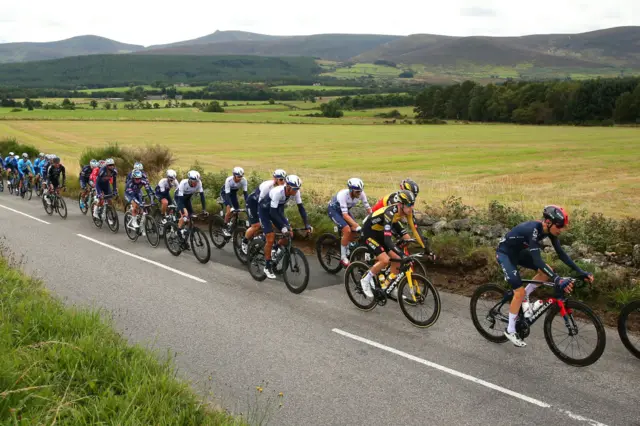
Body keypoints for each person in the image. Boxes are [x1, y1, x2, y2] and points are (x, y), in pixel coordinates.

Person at [496, 205, 595, 348]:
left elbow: (562, 254)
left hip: (518, 254)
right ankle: (510, 330)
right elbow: (537, 261)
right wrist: (557, 279)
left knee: (546, 271)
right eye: (559, 226)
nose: (561, 229)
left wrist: (581, 272)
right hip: (505, 254)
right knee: (519, 291)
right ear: (548, 223)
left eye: (563, 226)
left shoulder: (550, 232)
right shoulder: (533, 231)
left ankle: (526, 298)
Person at [359, 190, 418, 299]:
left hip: (378, 232)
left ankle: (389, 286)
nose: (411, 207)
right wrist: (402, 253)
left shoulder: (407, 212)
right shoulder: (390, 213)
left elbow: (415, 232)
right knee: (385, 259)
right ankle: (365, 280)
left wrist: (426, 248)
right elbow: (387, 240)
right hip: (368, 232)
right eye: (409, 205)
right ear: (401, 204)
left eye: (412, 204)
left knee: (397, 259)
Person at [258, 174, 312, 279]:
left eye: (298, 189)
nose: (296, 191)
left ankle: (275, 248)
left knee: (289, 234)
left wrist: (307, 225)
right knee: (270, 237)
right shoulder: (278, 192)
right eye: (294, 189)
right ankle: (267, 266)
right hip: (265, 210)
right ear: (287, 186)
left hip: (277, 209)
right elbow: (272, 214)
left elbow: (301, 208)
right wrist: (283, 227)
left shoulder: (296, 192)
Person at [327, 178, 372, 267]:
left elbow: (368, 209)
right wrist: (356, 225)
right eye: (357, 192)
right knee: (347, 229)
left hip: (345, 211)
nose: (359, 194)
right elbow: (344, 216)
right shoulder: (343, 195)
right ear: (351, 190)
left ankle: (347, 246)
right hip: (334, 211)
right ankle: (343, 258)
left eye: (360, 191)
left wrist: (374, 218)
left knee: (354, 231)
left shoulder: (361, 194)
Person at [241, 169, 287, 254]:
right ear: (275, 179)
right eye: (281, 179)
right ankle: (245, 241)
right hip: (253, 203)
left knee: (273, 222)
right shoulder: (268, 186)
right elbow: (260, 202)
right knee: (256, 225)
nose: (283, 181)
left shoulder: (283, 188)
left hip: (264, 205)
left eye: (284, 179)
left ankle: (262, 237)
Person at [175, 170, 208, 238]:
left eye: (197, 181)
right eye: (194, 182)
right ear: (190, 180)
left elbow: (202, 196)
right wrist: (183, 215)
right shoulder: (183, 183)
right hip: (179, 198)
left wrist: (204, 209)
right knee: (185, 214)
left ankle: (187, 233)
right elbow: (180, 201)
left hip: (187, 199)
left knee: (191, 216)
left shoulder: (199, 183)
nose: (196, 183)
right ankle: (178, 232)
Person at [220, 167, 248, 237]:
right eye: (238, 176)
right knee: (229, 210)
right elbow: (227, 195)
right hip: (225, 194)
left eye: (241, 176)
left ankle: (232, 227)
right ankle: (224, 227)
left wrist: (248, 204)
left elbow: (245, 194)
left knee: (236, 212)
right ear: (234, 175)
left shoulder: (244, 180)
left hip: (233, 194)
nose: (240, 178)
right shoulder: (229, 180)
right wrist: (230, 206)